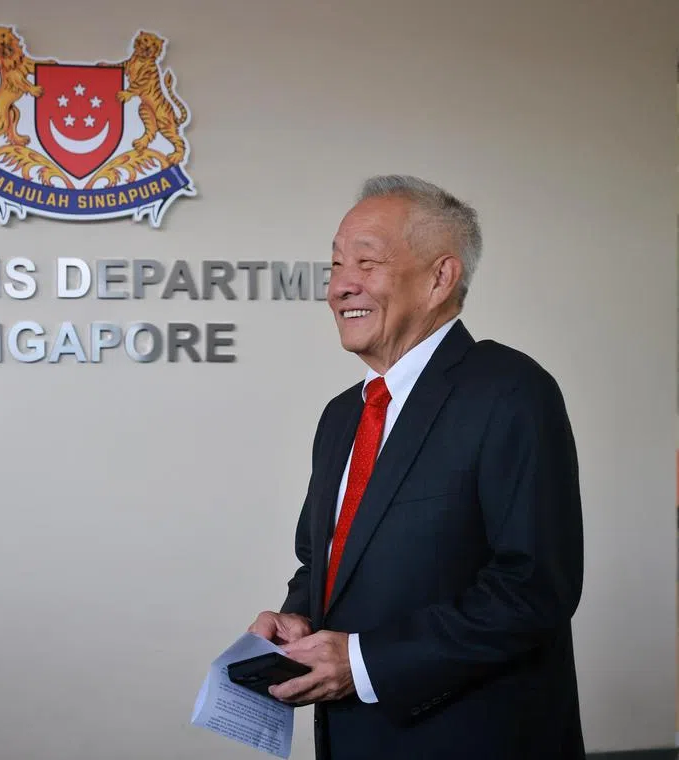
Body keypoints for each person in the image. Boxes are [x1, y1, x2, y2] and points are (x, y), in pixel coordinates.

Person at [248, 175, 585, 759]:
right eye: (336, 264)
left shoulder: (511, 391)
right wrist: (297, 616)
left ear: (439, 278)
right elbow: (324, 561)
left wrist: (363, 663)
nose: (340, 285)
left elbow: (533, 589)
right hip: (352, 739)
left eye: (366, 262)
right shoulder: (342, 415)